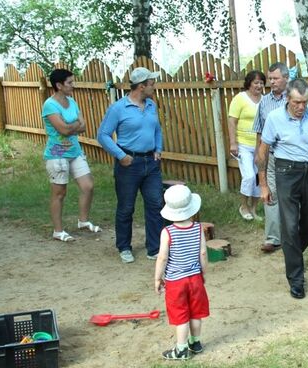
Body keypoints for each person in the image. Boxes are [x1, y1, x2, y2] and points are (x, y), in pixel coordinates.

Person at [256, 79, 308, 299]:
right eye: (296, 103)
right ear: (287, 99)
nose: (301, 107)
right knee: (290, 226)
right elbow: (262, 152)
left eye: (304, 102)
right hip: (286, 172)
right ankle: (296, 280)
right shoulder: (274, 119)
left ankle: (292, 254)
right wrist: (263, 185)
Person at [98, 67, 164, 263]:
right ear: (141, 86)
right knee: (126, 207)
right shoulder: (118, 108)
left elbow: (157, 130)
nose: (154, 86)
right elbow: (102, 135)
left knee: (156, 204)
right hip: (129, 163)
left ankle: (154, 248)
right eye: (152, 84)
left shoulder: (151, 105)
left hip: (150, 163)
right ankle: (124, 246)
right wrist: (120, 155)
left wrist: (158, 149)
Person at [42, 68, 101, 242]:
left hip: (74, 151)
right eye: (69, 82)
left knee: (88, 186)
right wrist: (73, 126)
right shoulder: (50, 105)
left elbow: (83, 126)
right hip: (57, 153)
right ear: (59, 85)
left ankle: (83, 221)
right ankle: (58, 231)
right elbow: (63, 129)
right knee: (59, 193)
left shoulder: (72, 101)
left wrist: (71, 127)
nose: (73, 85)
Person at [155, 184, 209, 360]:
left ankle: (181, 349)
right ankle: (195, 342)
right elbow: (202, 253)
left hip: (176, 282)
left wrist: (157, 278)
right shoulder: (198, 228)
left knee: (181, 316)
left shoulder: (167, 232)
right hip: (195, 278)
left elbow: (162, 258)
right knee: (195, 313)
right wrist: (204, 274)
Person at [252, 62, 289, 252]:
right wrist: (260, 156)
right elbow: (259, 133)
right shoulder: (264, 103)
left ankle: (293, 235)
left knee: (291, 196)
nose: (272, 82)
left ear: (286, 78)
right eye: (270, 79)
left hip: (291, 158)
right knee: (271, 194)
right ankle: (273, 239)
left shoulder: (293, 99)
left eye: (275, 78)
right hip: (272, 156)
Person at [227, 70, 265, 221]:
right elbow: (231, 121)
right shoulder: (240, 98)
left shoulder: (265, 100)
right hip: (243, 145)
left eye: (262, 83)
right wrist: (232, 143)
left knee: (258, 178)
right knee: (249, 176)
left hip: (260, 145)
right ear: (249, 83)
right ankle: (243, 206)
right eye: (256, 82)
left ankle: (254, 209)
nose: (259, 85)